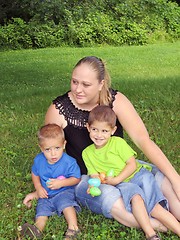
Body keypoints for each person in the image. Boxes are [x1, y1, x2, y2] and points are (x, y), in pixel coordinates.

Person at [23, 56, 180, 232]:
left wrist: (176, 180)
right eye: (74, 82)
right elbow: (50, 154)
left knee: (157, 178)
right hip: (88, 178)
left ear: (101, 84)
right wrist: (41, 189)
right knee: (112, 198)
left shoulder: (116, 101)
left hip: (119, 167)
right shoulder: (58, 110)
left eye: (86, 85)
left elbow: (143, 140)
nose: (77, 89)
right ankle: (160, 226)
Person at [82, 105, 180, 239]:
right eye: (94, 130)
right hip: (122, 184)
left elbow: (132, 164)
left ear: (113, 130)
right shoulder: (87, 153)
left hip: (139, 175)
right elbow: (94, 174)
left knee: (155, 207)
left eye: (104, 131)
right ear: (88, 127)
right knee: (136, 198)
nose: (99, 135)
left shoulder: (118, 143)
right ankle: (150, 234)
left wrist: (116, 179)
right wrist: (93, 184)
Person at [21, 124, 81, 239]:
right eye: (48, 149)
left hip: (64, 191)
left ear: (64, 145)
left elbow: (76, 178)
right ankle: (36, 230)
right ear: (41, 148)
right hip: (46, 194)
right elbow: (35, 173)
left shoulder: (69, 162)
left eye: (57, 148)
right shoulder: (39, 160)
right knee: (42, 211)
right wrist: (38, 188)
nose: (53, 154)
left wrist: (61, 183)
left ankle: (73, 228)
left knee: (66, 205)